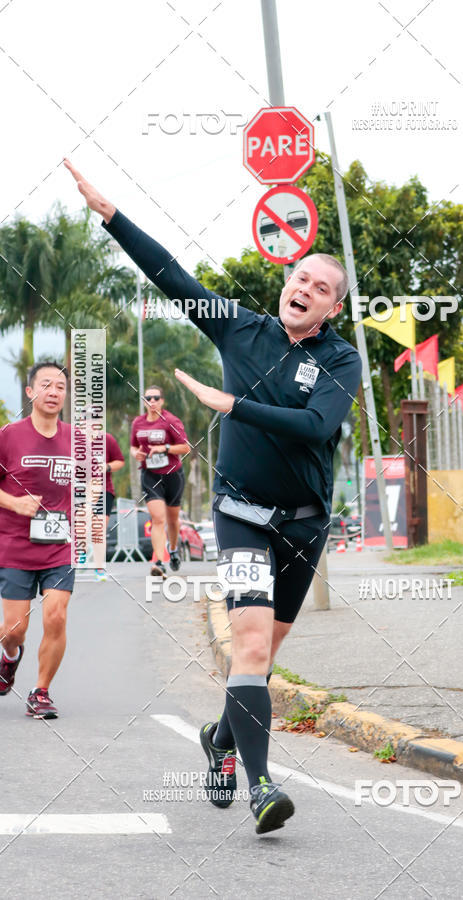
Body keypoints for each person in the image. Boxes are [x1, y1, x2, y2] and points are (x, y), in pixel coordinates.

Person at [65, 159, 362, 834]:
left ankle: (221, 739)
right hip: (241, 517)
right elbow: (171, 274)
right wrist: (111, 216)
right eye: (301, 278)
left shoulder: (340, 361)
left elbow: (318, 427)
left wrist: (231, 403)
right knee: (250, 647)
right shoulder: (239, 328)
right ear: (285, 283)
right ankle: (261, 788)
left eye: (322, 288)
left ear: (332, 307)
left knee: (264, 655)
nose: (307, 290)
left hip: (305, 524)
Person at [0, 361, 75, 719]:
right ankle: (9, 656)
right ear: (31, 392)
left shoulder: (77, 439)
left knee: (57, 617)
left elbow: (89, 486)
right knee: (14, 630)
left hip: (59, 544)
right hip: (14, 545)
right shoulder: (9, 435)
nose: (54, 392)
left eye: (60, 387)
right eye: (46, 385)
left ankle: (40, 691)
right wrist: (14, 502)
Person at [130, 386, 190, 577]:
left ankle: (173, 550)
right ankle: (158, 560)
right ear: (144, 401)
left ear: (162, 401)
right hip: (150, 475)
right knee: (158, 519)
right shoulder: (138, 423)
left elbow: (185, 448)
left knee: (172, 520)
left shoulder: (171, 421)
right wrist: (136, 453)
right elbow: (133, 446)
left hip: (173, 475)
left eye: (156, 398)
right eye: (148, 398)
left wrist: (164, 448)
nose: (152, 401)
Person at [92, 428, 125, 581]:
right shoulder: (73, 440)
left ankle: (99, 568)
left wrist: (107, 466)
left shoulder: (107, 439)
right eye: (86, 419)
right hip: (78, 490)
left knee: (98, 528)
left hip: (103, 489)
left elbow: (120, 461)